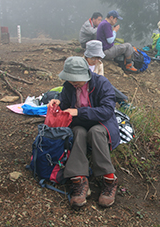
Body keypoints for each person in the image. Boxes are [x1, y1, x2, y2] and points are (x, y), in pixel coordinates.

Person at [48, 56, 120, 208]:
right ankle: (79, 180)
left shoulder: (102, 83)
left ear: (86, 75)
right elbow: (65, 102)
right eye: (71, 79)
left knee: (95, 132)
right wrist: (58, 103)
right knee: (78, 133)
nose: (74, 83)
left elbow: (107, 111)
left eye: (76, 80)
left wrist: (79, 112)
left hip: (102, 123)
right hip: (79, 124)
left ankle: (109, 179)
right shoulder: (69, 86)